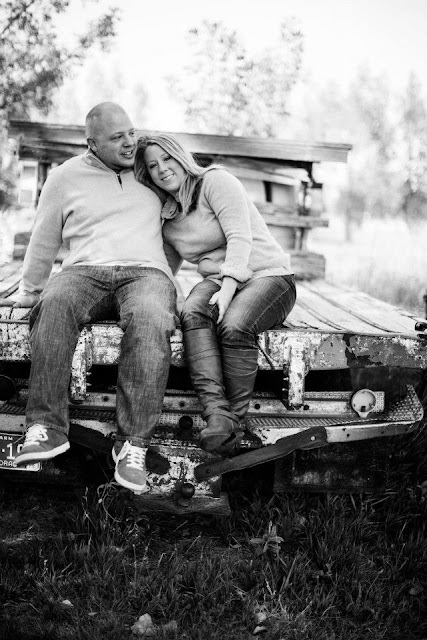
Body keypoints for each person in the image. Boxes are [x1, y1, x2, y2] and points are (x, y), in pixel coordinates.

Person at [0, 103, 177, 494]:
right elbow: (45, 236)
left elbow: (187, 211)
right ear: (92, 143)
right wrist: (29, 291)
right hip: (84, 270)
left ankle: (133, 444)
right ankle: (46, 427)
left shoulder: (149, 168)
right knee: (55, 303)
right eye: (117, 138)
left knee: (151, 317)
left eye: (131, 132)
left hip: (145, 272)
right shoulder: (64, 177)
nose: (130, 142)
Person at [134, 133, 296, 455]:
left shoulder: (215, 181)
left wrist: (228, 288)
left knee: (234, 326)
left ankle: (232, 423)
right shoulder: (167, 218)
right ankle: (216, 415)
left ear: (181, 156)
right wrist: (168, 295)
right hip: (219, 279)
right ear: (148, 175)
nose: (162, 169)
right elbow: (164, 265)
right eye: (152, 166)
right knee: (193, 311)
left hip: (267, 274)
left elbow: (240, 237)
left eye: (167, 158)